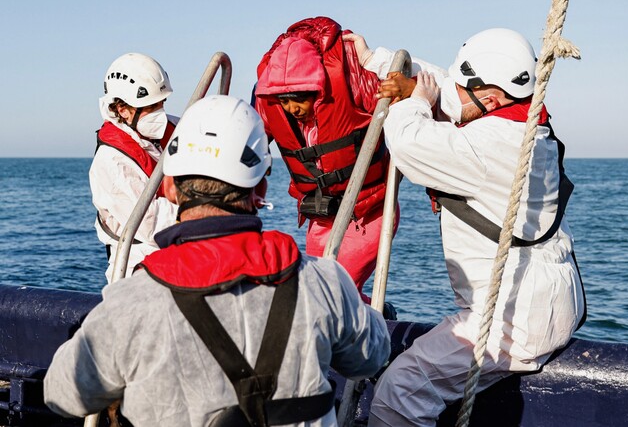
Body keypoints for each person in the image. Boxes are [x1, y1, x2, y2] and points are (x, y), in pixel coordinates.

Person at [44, 95, 391, 427]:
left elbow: (62, 394)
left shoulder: (130, 303)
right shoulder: (325, 282)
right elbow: (370, 357)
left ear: (169, 187)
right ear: (260, 190)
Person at [345, 29, 587, 426]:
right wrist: (375, 59)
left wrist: (414, 102)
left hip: (513, 317)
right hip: (546, 300)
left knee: (400, 390)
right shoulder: (526, 122)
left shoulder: (487, 146)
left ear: (490, 98)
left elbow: (408, 144)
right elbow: (450, 87)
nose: (452, 93)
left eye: (463, 88)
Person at [254, 17, 399, 312]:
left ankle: (376, 324)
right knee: (316, 289)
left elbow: (403, 98)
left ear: (316, 89)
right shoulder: (276, 108)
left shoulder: (354, 84)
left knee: (336, 287)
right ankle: (378, 316)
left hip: (368, 212)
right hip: (322, 214)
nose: (292, 108)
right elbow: (250, 137)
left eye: (299, 99)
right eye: (284, 101)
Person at [90, 52, 179, 282]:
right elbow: (150, 223)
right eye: (152, 106)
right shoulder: (111, 162)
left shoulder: (175, 128)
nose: (160, 112)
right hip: (138, 262)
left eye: (161, 103)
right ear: (122, 110)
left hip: (183, 249)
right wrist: (204, 210)